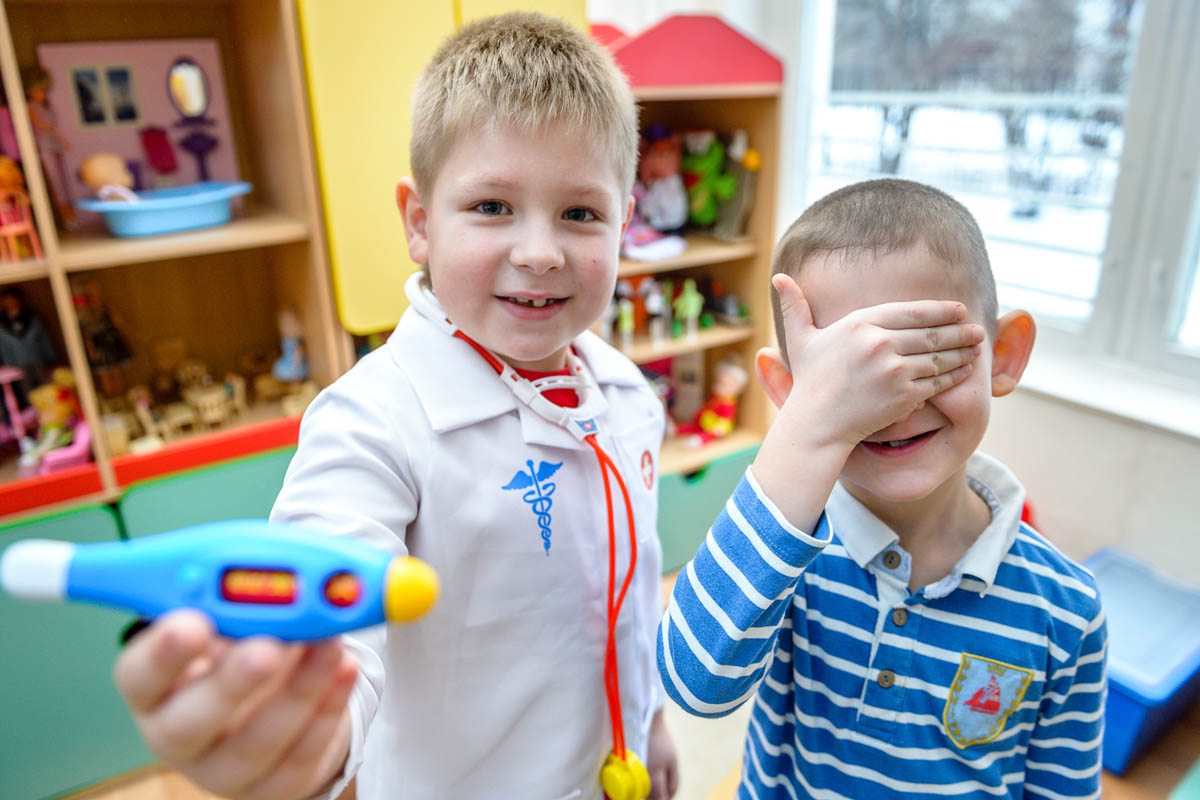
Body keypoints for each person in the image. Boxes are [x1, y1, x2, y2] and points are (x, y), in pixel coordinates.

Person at [112, 13, 680, 800]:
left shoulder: (624, 392)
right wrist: (304, 736)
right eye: (491, 206)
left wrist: (646, 723)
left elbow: (631, 588)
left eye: (581, 214)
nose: (542, 251)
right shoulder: (370, 422)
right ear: (419, 222)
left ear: (623, 224)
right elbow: (333, 592)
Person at [658, 178, 1106, 798]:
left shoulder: (1067, 610)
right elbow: (694, 683)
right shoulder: (781, 555)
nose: (893, 409)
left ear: (1002, 354)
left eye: (930, 357)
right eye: (850, 378)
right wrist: (808, 431)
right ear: (790, 391)